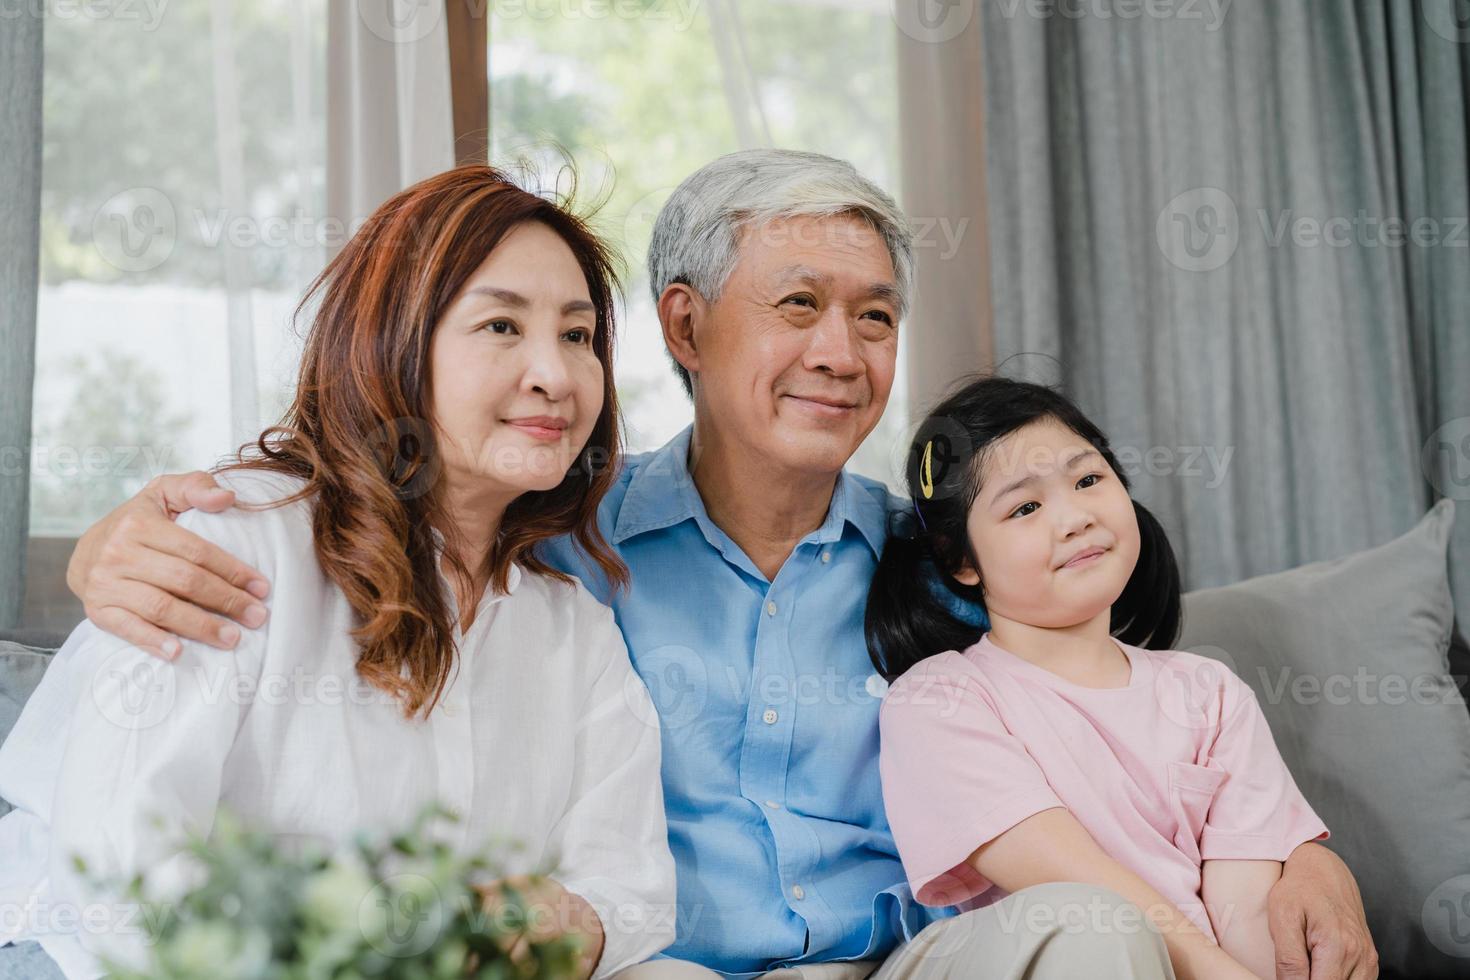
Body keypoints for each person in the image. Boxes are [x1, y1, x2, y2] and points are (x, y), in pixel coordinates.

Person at [55, 149, 1379, 979]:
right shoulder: (553, 555)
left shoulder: (940, 566)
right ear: (685, 325)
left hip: (907, 966)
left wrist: (1302, 841)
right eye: (797, 304)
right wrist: (119, 550)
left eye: (873, 318)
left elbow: (1123, 691)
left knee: (1095, 938)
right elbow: (367, 524)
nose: (840, 351)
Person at [0, 167, 675, 979]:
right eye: (501, 326)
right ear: (390, 342)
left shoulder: (571, 625)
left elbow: (629, 882)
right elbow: (116, 881)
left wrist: (576, 921)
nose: (556, 376)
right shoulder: (234, 545)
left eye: (576, 335)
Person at [867, 375, 1335, 980]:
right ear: (960, 560)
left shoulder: (1210, 694)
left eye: (1088, 480)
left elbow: (1246, 905)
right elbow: (1083, 893)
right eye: (1025, 507)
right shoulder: (937, 701)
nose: (1075, 518)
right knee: (1093, 920)